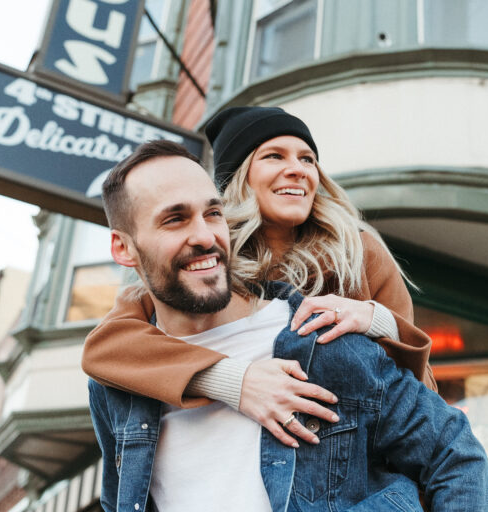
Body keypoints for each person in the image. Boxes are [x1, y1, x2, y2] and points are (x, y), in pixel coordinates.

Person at [88, 140, 488, 511]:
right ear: (123, 248)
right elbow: (119, 497)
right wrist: (236, 381)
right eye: (174, 220)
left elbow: (453, 451)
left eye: (213, 213)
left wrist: (377, 318)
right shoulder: (122, 376)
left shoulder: (322, 334)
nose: (204, 236)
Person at [82, 106, 436, 447]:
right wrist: (235, 381)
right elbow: (107, 349)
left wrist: (377, 320)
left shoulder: (357, 254)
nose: (298, 170)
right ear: (239, 175)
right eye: (275, 156)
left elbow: (422, 394)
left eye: (307, 159)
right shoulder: (204, 262)